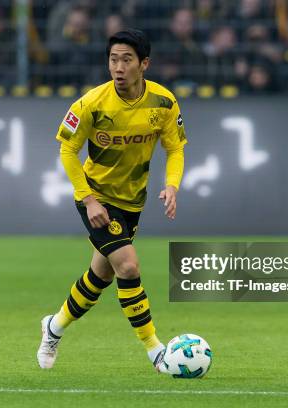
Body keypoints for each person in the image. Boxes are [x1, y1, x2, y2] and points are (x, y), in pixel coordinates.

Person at [37, 29, 187, 373]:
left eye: (126, 60)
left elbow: (176, 147)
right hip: (97, 198)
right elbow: (68, 149)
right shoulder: (92, 103)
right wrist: (88, 199)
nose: (118, 67)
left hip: (132, 201)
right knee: (129, 266)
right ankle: (156, 352)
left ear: (144, 64)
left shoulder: (163, 103)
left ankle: (53, 327)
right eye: (113, 59)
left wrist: (172, 186)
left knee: (99, 276)